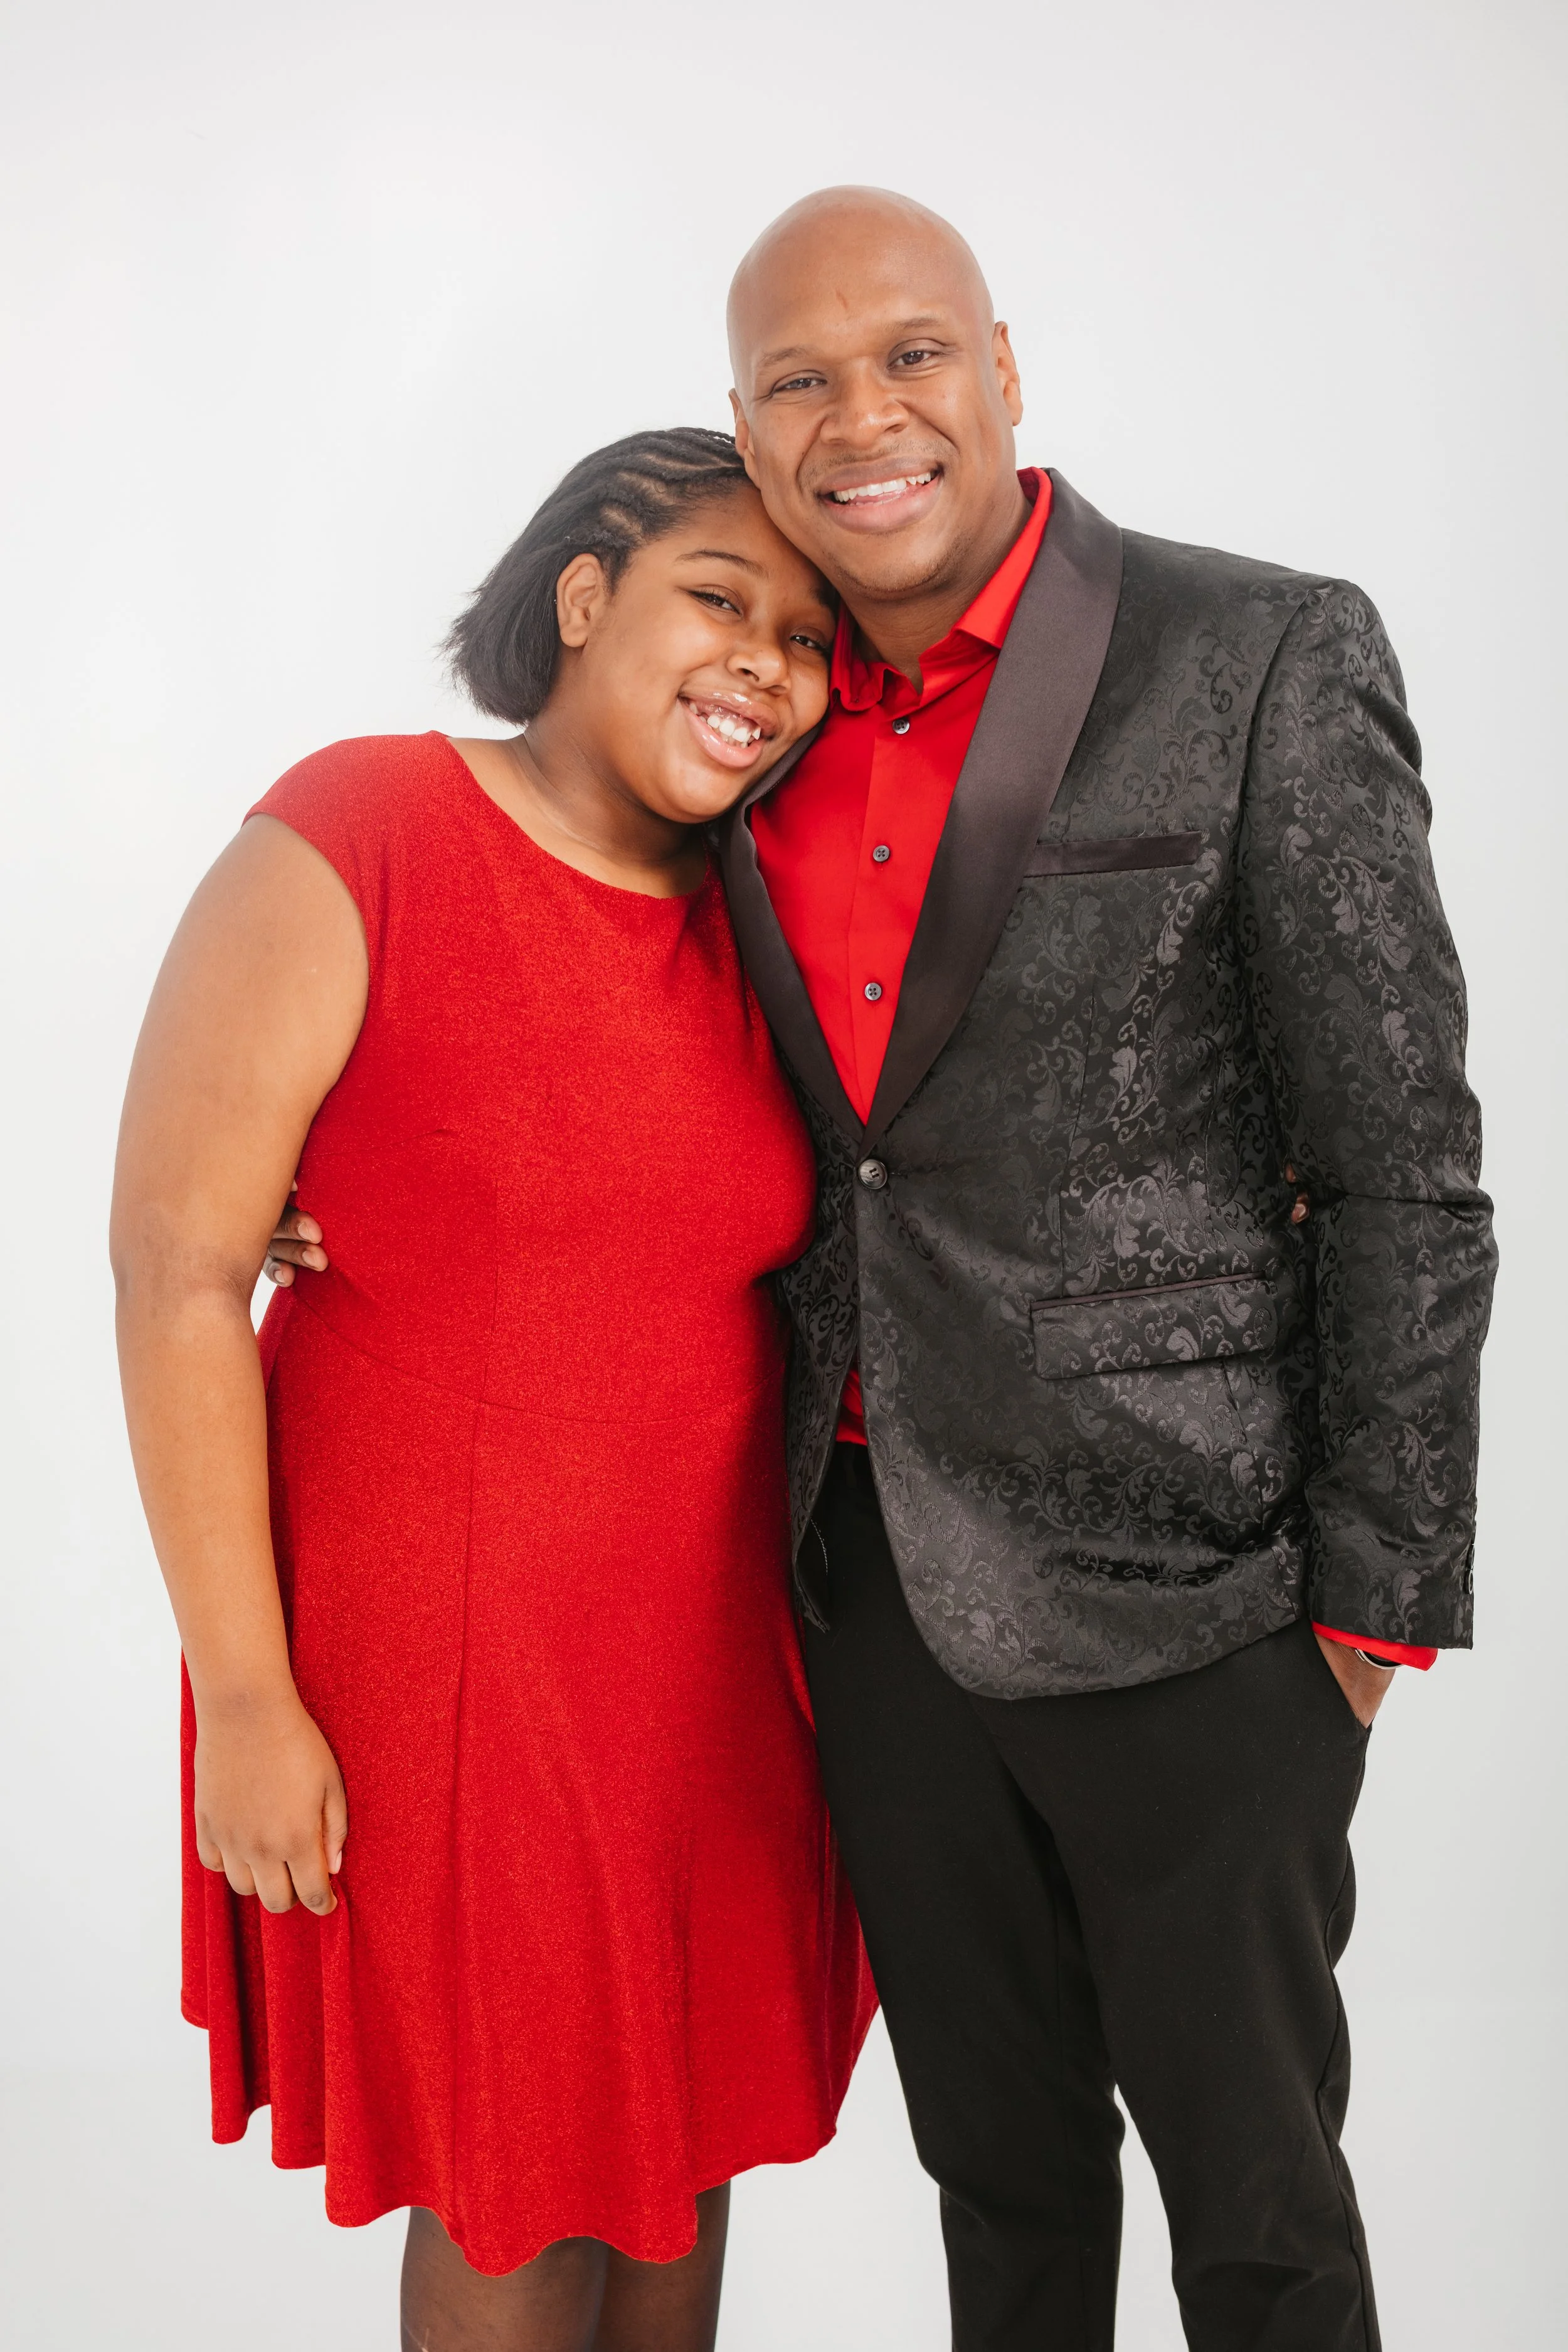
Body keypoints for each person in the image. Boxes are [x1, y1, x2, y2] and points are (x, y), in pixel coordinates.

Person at [264, 192, 1497, 2349]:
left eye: (908, 353)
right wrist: (328, 1178)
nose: (863, 415)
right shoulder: (751, 720)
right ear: (747, 427)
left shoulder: (1261, 651)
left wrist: (1371, 1608)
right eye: (795, 381)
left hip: (1193, 1596)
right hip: (862, 1598)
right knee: (1001, 2186)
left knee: (1260, 2214)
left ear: (1004, 366)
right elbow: (587, 1031)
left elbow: (1404, 1166)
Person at [111, 426, 874, 2352]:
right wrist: (244, 1698)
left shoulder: (762, 914)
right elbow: (181, 1270)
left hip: (708, 1677)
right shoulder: (363, 827)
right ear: (584, 598)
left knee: (673, 2178)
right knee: (518, 2192)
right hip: (450, 1674)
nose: (766, 665)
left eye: (805, 637)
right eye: (722, 599)